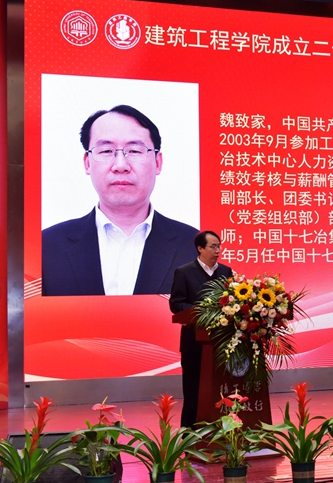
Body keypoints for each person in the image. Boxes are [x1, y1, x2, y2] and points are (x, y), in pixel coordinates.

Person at [41, 105, 198, 296]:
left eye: (135, 151)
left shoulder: (196, 248)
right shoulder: (46, 247)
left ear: (157, 162)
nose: (121, 165)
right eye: (106, 151)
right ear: (87, 162)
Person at [169, 230, 233, 428]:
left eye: (219, 246)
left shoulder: (226, 272)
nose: (218, 250)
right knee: (193, 392)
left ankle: (222, 430)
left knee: (221, 390)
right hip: (194, 343)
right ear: (200, 248)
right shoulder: (184, 272)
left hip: (221, 343)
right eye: (213, 246)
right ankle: (190, 434)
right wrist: (203, 311)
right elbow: (176, 304)